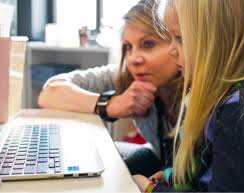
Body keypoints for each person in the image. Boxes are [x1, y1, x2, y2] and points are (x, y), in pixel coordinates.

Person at [133, 0, 244, 192]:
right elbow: (207, 166)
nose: (171, 51)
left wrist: (151, 190)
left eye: (180, 39)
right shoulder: (220, 96)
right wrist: (171, 176)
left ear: (223, 40)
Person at [38, 0, 182, 177]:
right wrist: (109, 105)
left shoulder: (201, 91)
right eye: (128, 47)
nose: (133, 59)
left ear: (179, 42)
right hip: (160, 158)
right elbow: (50, 91)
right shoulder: (126, 77)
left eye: (148, 44)